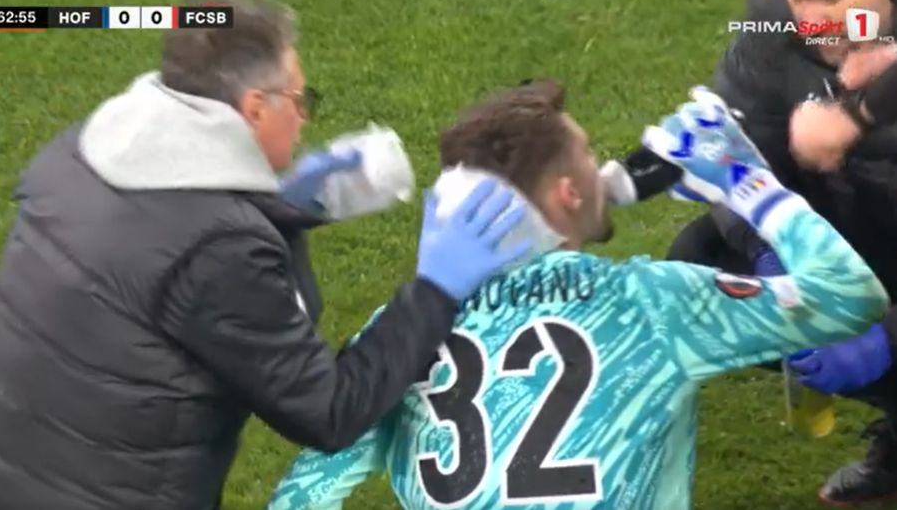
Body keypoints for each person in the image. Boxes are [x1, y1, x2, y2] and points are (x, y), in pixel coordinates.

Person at [0, 0, 531, 510]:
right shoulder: (222, 250)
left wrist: (280, 207)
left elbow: (158, 246)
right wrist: (436, 287)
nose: (304, 118)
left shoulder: (86, 146)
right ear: (254, 108)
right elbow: (330, 411)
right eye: (299, 100)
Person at [266, 81, 887, 510]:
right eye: (590, 156)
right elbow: (847, 294)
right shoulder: (651, 303)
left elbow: (305, 493)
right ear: (567, 192)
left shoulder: (396, 335)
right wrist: (744, 179)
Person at [611, 0, 897, 505]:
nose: (811, 19)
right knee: (706, 268)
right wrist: (776, 254)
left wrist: (890, 339)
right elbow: (739, 149)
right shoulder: (775, 26)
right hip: (863, 218)